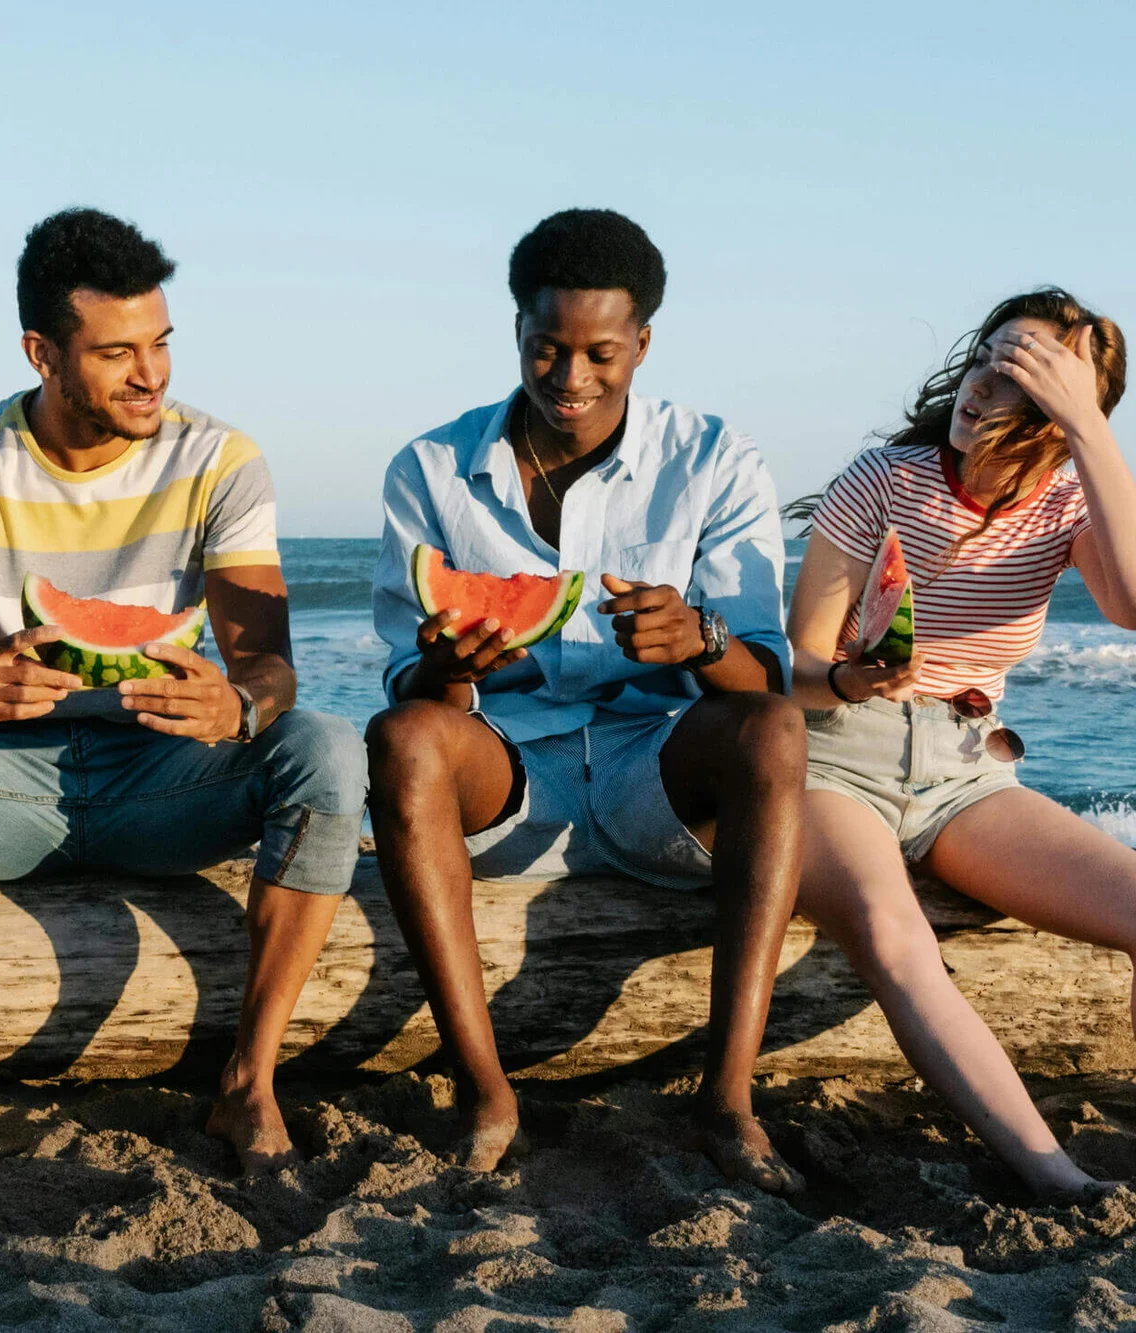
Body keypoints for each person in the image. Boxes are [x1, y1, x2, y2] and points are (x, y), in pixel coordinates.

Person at [0, 207, 367, 1179]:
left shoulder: (216, 459)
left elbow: (267, 661)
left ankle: (248, 1081)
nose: (150, 375)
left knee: (326, 747)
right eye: (115, 353)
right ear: (42, 353)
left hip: (168, 782)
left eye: (160, 344)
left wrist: (241, 708)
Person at [367, 208, 806, 1193]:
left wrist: (700, 639)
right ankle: (485, 1090)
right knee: (399, 735)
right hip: (504, 776)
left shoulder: (714, 461)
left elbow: (763, 677)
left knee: (772, 727)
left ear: (641, 341)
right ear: (516, 330)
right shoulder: (428, 469)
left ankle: (726, 1099)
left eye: (599, 353)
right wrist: (446, 663)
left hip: (652, 772)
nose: (569, 378)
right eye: (545, 348)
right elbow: (409, 683)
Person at [786, 289, 1134, 1199]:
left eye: (1024, 373)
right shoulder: (885, 479)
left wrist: (1092, 437)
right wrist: (855, 677)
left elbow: (1134, 607)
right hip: (834, 753)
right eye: (987, 355)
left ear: (1065, 410)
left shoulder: (1067, 500)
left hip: (967, 771)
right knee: (898, 937)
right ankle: (1056, 1176)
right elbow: (795, 667)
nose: (984, 384)